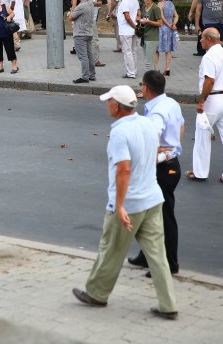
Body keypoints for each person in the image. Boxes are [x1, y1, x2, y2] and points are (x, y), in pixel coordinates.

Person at [72, 85, 178, 321]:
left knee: (110, 250)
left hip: (130, 204)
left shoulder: (120, 132)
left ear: (116, 107)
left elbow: (123, 170)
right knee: (158, 255)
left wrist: (119, 205)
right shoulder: (147, 124)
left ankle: (97, 294)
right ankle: (168, 304)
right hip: (152, 199)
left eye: (109, 101)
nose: (107, 104)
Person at [128, 71, 184, 277]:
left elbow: (151, 138)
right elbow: (182, 126)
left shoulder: (156, 113)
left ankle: (169, 263)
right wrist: (173, 147)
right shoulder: (170, 103)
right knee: (150, 213)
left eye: (141, 85)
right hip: (171, 163)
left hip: (162, 167)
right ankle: (146, 255)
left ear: (145, 89)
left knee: (163, 216)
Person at [185, 28, 223, 185]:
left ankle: (200, 172)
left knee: (202, 136)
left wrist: (202, 100)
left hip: (212, 100)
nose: (200, 41)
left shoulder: (209, 57)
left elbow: (209, 81)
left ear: (208, 39)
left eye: (202, 38)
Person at [70, 0, 95, 83]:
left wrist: (70, 13)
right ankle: (92, 75)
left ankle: (85, 77)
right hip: (89, 32)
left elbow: (71, 17)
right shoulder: (90, 4)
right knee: (89, 55)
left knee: (83, 56)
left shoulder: (81, 6)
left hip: (80, 33)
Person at [115, 0, 139, 79]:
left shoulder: (125, 1)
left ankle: (130, 73)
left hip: (126, 30)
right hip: (133, 30)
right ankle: (134, 71)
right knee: (133, 51)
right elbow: (138, 13)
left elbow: (127, 17)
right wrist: (136, 26)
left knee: (127, 52)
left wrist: (134, 26)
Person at [138, 0, 162, 76]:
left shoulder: (155, 8)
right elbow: (142, 19)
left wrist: (148, 22)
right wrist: (140, 20)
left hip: (152, 37)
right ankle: (156, 78)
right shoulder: (143, 7)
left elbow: (160, 23)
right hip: (145, 36)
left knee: (148, 63)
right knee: (148, 60)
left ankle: (149, 82)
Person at [156, 0, 178, 75]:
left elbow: (161, 17)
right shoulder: (171, 3)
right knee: (168, 50)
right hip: (170, 30)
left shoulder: (160, 4)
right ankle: (167, 68)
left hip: (162, 29)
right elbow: (176, 16)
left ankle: (156, 68)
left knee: (156, 49)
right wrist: (173, 24)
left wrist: (168, 25)